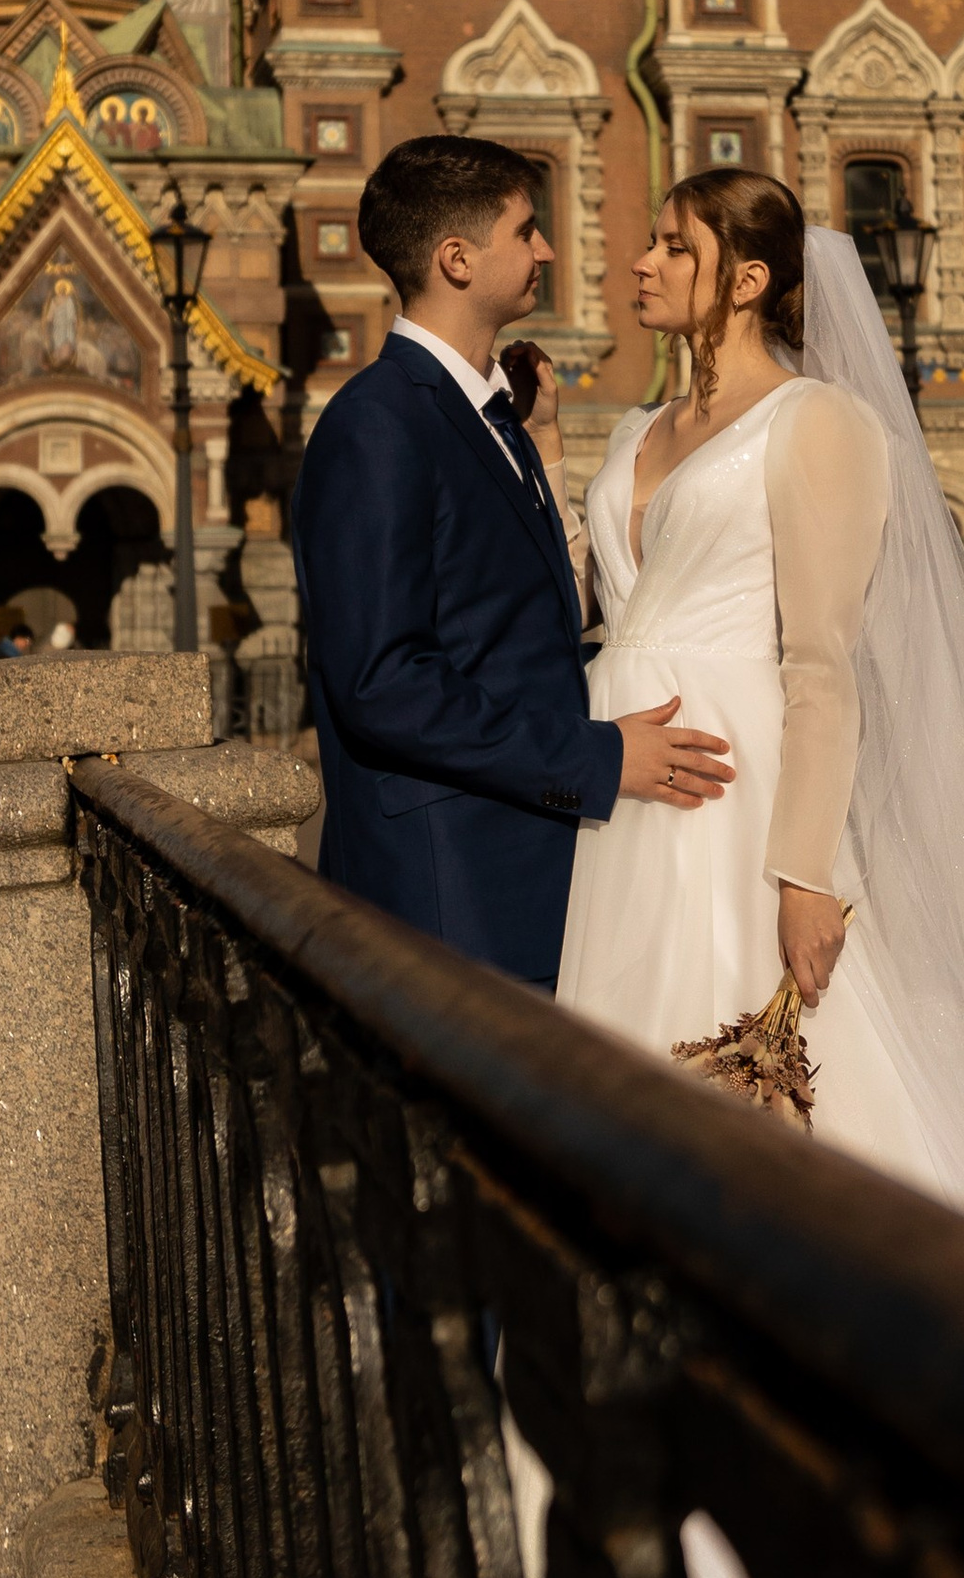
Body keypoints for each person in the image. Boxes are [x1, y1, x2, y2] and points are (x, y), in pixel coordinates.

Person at [553, 167, 964, 1318]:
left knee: (776, 1077)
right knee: (625, 1064)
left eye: (675, 246)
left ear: (747, 279)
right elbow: (609, 603)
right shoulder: (639, 427)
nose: (640, 262)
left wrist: (806, 874)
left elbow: (822, 662)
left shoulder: (817, 423)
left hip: (739, 793)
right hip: (622, 784)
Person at [290, 134, 731, 992]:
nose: (548, 251)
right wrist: (599, 759)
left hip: (522, 871)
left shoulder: (495, 413)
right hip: (450, 893)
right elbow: (384, 683)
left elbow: (526, 621)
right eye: (526, 230)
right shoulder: (378, 424)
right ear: (457, 259)